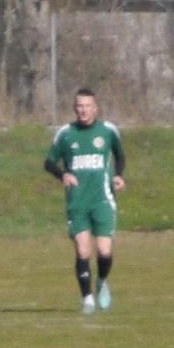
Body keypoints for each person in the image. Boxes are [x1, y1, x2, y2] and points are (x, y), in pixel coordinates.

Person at [44, 88, 126, 314]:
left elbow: (120, 155)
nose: (83, 110)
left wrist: (118, 175)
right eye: (79, 105)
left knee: (104, 251)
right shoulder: (65, 134)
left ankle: (101, 282)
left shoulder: (107, 131)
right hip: (77, 203)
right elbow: (49, 163)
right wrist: (63, 175)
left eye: (87, 105)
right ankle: (87, 298)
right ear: (74, 108)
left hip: (103, 200)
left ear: (95, 108)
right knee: (82, 250)